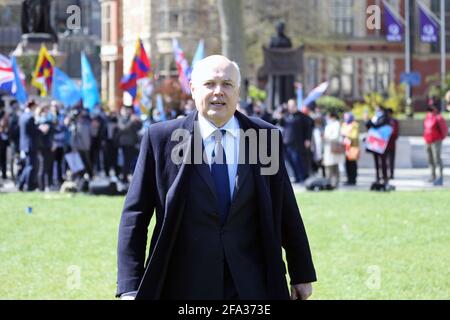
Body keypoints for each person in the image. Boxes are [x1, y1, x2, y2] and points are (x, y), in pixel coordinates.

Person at [116, 55, 316, 300]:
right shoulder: (161, 139)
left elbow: (285, 208)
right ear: (193, 89)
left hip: (252, 283)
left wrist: (301, 272)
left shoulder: (264, 138)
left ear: (238, 92)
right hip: (182, 284)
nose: (218, 92)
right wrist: (129, 285)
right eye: (209, 84)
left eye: (227, 84)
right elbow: (135, 215)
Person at [423, 100, 448, 186]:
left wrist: (440, 139)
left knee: (437, 158)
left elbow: (444, 130)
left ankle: (440, 176)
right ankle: (433, 176)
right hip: (428, 141)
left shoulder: (439, 117)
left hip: (436, 141)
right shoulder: (427, 116)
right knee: (430, 159)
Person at [323, 111, 344, 189]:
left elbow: (335, 136)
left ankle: (334, 183)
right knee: (328, 166)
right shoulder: (329, 125)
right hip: (328, 148)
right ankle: (329, 182)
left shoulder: (336, 124)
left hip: (333, 148)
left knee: (334, 166)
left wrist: (327, 137)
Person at [340, 112, 360, 185]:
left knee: (352, 164)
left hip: (352, 147)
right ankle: (348, 178)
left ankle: (353, 179)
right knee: (347, 164)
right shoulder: (344, 124)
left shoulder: (355, 125)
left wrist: (346, 135)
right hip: (345, 148)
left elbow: (354, 136)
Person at [385, 108, 399, 180]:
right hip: (384, 144)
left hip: (391, 144)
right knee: (385, 160)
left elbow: (395, 133)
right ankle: (385, 174)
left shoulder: (394, 122)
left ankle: (391, 174)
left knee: (391, 160)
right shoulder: (384, 121)